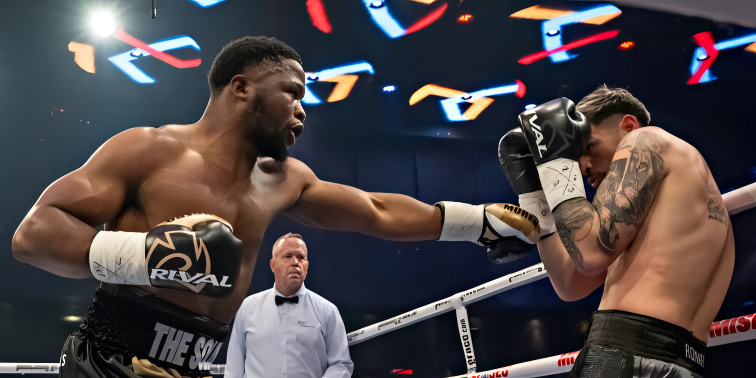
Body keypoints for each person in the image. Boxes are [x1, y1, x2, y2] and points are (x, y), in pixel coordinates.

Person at [11, 36, 540, 377]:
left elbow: (376, 210)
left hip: (199, 365)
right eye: (292, 91)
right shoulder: (149, 149)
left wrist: (481, 222)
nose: (301, 109)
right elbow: (33, 235)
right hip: (109, 360)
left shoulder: (282, 180)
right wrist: (148, 255)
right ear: (241, 88)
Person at [499, 86, 734, 377]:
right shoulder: (668, 206)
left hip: (626, 357)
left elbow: (590, 253)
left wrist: (556, 164)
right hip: (681, 363)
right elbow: (570, 284)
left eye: (588, 147)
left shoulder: (645, 139)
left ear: (627, 125)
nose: (582, 166)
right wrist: (536, 197)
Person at [224, 233, 352, 377]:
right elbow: (233, 368)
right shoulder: (248, 307)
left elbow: (341, 364)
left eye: (301, 257)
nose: (295, 262)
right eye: (288, 256)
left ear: (307, 266)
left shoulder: (327, 311)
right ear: (273, 265)